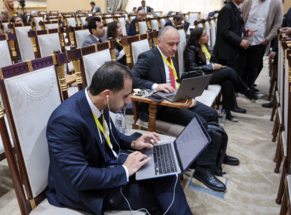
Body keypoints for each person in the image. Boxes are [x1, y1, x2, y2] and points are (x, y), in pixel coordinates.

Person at [46, 61, 192, 215]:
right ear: (107, 94)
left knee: (165, 172)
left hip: (107, 164)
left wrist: (134, 143)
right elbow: (79, 177)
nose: (129, 101)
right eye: (126, 96)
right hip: (87, 189)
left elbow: (112, 135)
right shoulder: (65, 121)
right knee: (156, 198)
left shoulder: (99, 101)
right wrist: (124, 170)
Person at [132, 26, 239, 192]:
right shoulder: (148, 57)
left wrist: (187, 94)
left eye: (177, 44)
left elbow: (175, 80)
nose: (175, 48)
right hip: (160, 106)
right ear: (159, 42)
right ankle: (202, 170)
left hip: (176, 98)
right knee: (200, 122)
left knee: (211, 113)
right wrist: (156, 86)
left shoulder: (170, 55)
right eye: (171, 44)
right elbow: (132, 78)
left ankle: (216, 153)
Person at [184, 28, 259, 121]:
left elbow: (210, 60)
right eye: (204, 35)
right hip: (199, 78)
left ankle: (227, 112)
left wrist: (217, 65)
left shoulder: (204, 47)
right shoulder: (191, 49)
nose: (207, 36)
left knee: (227, 81)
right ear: (197, 38)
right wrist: (212, 67)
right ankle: (246, 90)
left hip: (208, 74)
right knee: (228, 71)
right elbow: (192, 68)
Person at [238, 0, 283, 90]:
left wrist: (268, 38)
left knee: (255, 65)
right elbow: (240, 18)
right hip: (245, 39)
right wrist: (241, 34)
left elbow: (277, 23)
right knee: (242, 64)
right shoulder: (248, 0)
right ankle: (242, 86)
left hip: (261, 40)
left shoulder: (276, 2)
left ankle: (249, 86)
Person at [213, 0, 251, 69]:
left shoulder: (235, 7)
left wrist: (243, 31)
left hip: (233, 49)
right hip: (227, 52)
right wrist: (240, 40)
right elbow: (224, 30)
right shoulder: (227, 9)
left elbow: (233, 26)